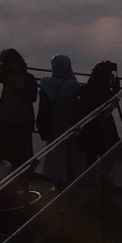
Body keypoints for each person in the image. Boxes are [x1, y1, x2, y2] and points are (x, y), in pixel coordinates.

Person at [37, 55, 82, 186]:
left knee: (53, 153)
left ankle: (56, 182)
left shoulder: (45, 83)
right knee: (68, 156)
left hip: (51, 124)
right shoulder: (73, 84)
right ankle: (68, 183)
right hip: (69, 123)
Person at [0, 48, 38, 169]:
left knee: (21, 154)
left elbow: (32, 97)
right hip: (8, 119)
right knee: (6, 152)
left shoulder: (28, 78)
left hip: (21, 120)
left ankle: (22, 177)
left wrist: (17, 88)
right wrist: (0, 59)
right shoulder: (6, 76)